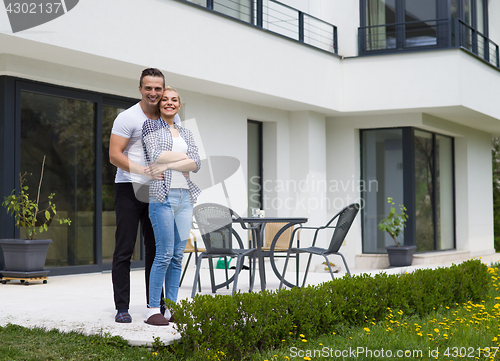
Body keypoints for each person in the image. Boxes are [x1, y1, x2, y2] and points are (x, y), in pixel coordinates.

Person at [109, 68, 176, 323]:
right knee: (124, 249)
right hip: (128, 187)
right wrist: (143, 171)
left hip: (157, 190)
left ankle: (155, 305)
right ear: (140, 89)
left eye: (158, 88)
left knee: (157, 250)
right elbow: (115, 155)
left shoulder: (169, 118)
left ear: (163, 89)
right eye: (148, 88)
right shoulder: (128, 118)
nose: (153, 93)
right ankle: (122, 307)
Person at [142, 86, 201, 326]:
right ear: (159, 104)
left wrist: (168, 163)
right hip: (162, 197)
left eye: (174, 100)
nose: (169, 102)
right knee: (164, 253)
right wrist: (181, 160)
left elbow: (196, 163)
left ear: (179, 104)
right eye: (164, 99)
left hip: (185, 198)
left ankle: (173, 309)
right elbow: (154, 155)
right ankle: (152, 309)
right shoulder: (151, 126)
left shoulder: (187, 132)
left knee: (177, 255)